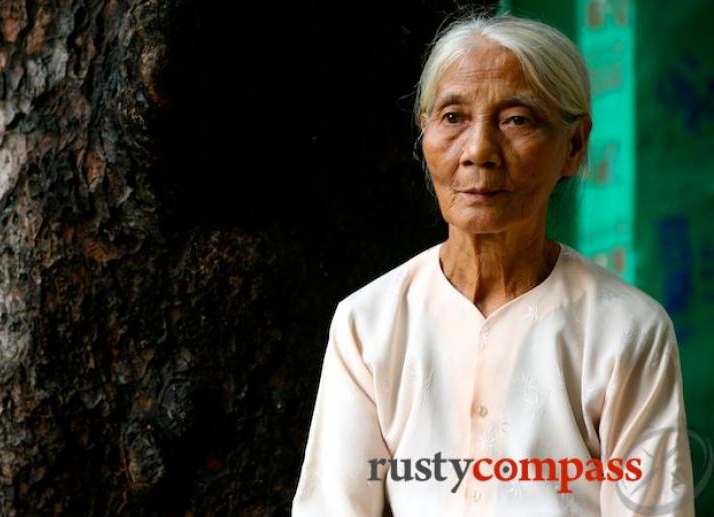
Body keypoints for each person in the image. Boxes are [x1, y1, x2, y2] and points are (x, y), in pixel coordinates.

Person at [291, 13, 695, 517]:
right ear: (425, 135)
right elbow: (334, 506)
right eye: (453, 117)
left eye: (516, 120)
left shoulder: (627, 329)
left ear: (573, 147)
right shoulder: (369, 323)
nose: (479, 150)